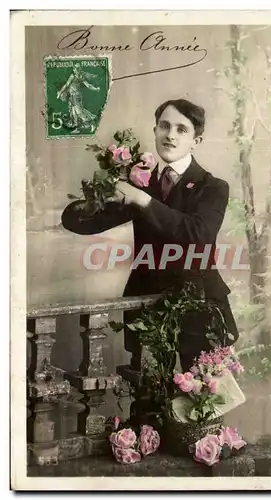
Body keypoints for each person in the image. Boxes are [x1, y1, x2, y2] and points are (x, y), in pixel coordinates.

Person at [61, 98, 239, 371]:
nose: (170, 135)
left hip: (199, 312)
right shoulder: (140, 182)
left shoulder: (212, 187)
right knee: (147, 400)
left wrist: (141, 200)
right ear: (155, 130)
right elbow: (81, 223)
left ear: (196, 141)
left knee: (200, 407)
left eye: (182, 129)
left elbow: (198, 235)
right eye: (164, 126)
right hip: (148, 308)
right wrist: (98, 194)